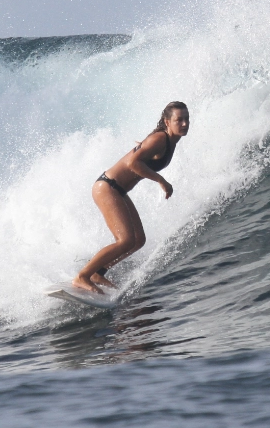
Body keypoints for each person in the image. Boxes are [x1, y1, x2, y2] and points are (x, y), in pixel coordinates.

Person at [72, 101, 189, 294]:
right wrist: (161, 180)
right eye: (179, 120)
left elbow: (141, 155)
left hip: (118, 190)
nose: (184, 124)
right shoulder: (160, 139)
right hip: (107, 187)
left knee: (138, 240)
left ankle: (98, 272)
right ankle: (82, 276)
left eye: (187, 119)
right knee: (125, 240)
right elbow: (133, 163)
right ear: (167, 122)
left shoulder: (168, 140)